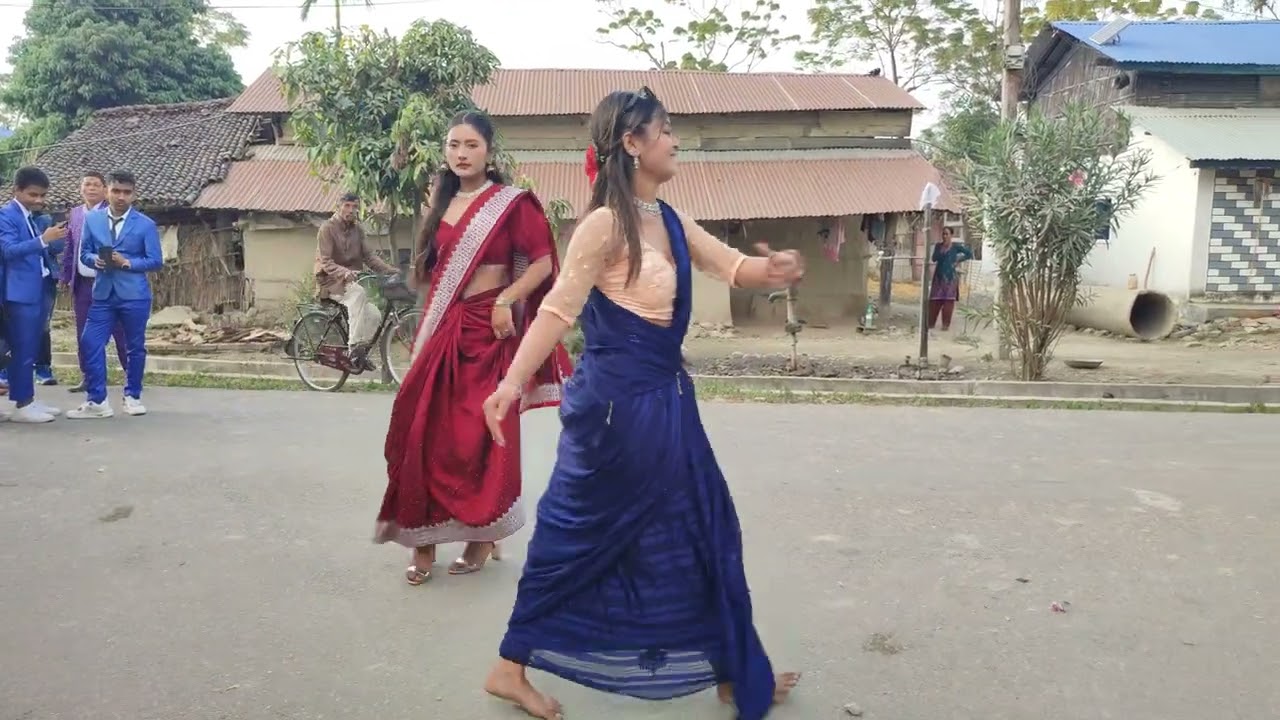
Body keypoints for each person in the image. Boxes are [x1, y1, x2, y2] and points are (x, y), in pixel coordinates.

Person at [479, 88, 805, 720]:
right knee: (577, 536)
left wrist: (778, 269)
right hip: (612, 412)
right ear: (632, 143)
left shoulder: (671, 219)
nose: (674, 140)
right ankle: (508, 668)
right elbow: (556, 310)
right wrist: (510, 385)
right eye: (665, 130)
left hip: (668, 404)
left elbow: (734, 267)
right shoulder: (603, 223)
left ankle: (733, 670)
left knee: (704, 528)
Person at [377, 110, 572, 585]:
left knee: (482, 437)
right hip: (447, 329)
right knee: (422, 425)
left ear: (489, 151)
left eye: (471, 145)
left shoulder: (511, 204)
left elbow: (543, 264)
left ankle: (481, 536)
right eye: (453, 145)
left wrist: (506, 300)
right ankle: (420, 539)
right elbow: (433, 274)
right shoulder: (439, 205)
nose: (461, 154)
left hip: (491, 333)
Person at [66, 170, 161, 419]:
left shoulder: (145, 224)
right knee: (89, 342)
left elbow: (155, 260)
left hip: (134, 295)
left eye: (126, 192)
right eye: (116, 191)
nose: (121, 197)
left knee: (134, 347)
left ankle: (133, 396)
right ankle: (97, 400)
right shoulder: (93, 220)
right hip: (103, 294)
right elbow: (84, 251)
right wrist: (94, 260)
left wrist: (127, 262)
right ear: (107, 191)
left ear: (134, 195)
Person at [0, 166, 67, 423]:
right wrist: (43, 239)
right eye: (32, 195)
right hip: (18, 293)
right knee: (22, 349)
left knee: (30, 347)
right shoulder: (6, 215)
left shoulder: (29, 216)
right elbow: (7, 251)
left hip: (37, 288)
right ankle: (22, 404)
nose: (38, 200)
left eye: (42, 196)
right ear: (16, 190)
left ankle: (27, 398)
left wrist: (52, 238)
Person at [313, 192, 398, 369]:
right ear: (338, 207)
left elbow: (369, 257)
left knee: (374, 314)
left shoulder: (358, 230)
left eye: (354, 206)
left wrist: (390, 270)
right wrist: (344, 272)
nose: (351, 210)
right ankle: (352, 348)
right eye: (347, 206)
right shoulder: (327, 229)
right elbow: (326, 261)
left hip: (350, 282)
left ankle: (361, 352)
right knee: (358, 294)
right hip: (331, 281)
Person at [61, 172, 124, 394]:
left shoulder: (112, 212)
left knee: (119, 329)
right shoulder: (76, 213)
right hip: (82, 283)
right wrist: (67, 276)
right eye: (87, 184)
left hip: (108, 282)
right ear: (81, 188)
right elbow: (70, 247)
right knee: (83, 332)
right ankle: (88, 376)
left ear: (105, 189)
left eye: (96, 185)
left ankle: (131, 373)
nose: (91, 188)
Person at [927, 226, 973, 331]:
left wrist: (958, 260)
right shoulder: (938, 246)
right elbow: (934, 259)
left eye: (947, 234)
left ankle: (945, 325)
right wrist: (941, 250)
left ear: (951, 235)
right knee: (935, 301)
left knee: (948, 301)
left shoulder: (956, 247)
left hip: (950, 278)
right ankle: (931, 323)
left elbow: (969, 254)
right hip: (938, 277)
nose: (944, 236)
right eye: (943, 234)